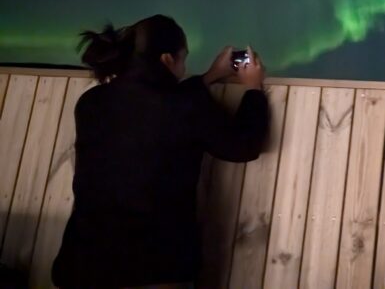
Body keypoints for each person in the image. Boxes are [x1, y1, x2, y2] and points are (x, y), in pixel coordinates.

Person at [52, 15, 269, 289]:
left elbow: (154, 107)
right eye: (183, 59)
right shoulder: (185, 108)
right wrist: (253, 88)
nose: (184, 66)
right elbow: (243, 145)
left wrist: (210, 76)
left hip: (80, 266)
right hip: (153, 270)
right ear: (167, 60)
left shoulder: (91, 103)